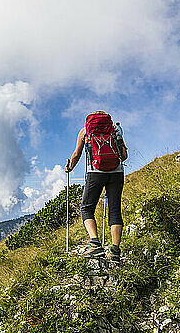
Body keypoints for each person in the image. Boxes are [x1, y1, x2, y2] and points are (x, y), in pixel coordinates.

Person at [64, 111, 128, 263]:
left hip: (95, 172)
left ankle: (95, 244)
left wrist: (70, 167)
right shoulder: (115, 129)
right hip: (117, 172)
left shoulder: (85, 131)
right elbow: (124, 155)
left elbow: (77, 153)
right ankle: (115, 251)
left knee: (86, 208)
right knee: (114, 210)